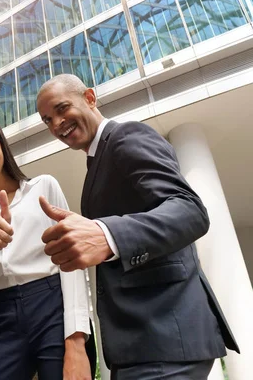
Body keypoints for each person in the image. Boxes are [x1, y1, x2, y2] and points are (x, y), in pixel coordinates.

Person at [35, 74, 239, 379]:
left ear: (90, 98)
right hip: (142, 344)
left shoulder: (125, 136)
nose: (56, 124)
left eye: (62, 108)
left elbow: (190, 210)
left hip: (164, 333)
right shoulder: (97, 160)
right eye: (47, 120)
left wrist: (108, 235)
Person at [0, 116, 93, 380]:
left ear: (2, 147)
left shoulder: (44, 187)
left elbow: (72, 260)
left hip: (52, 302)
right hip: (1, 312)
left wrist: (76, 338)